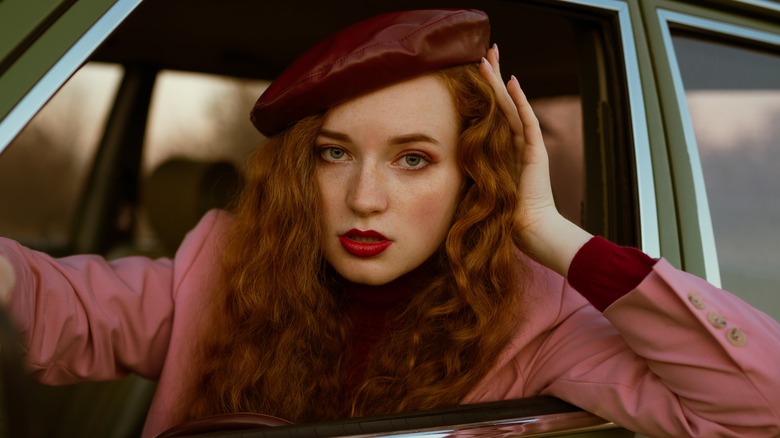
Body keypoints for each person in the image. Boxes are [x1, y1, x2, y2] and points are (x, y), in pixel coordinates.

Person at [1, 9, 778, 438]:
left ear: (474, 177)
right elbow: (50, 305)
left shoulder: (539, 324)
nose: (365, 197)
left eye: (413, 160)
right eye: (336, 154)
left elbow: (761, 410)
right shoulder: (221, 268)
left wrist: (552, 233)